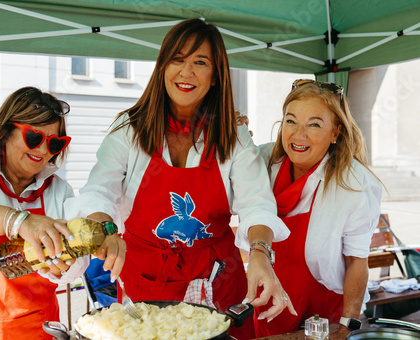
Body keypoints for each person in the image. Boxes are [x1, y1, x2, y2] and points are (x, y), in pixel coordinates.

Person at [64, 18, 294, 340]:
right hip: (144, 278)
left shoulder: (234, 136)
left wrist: (259, 252)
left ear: (215, 77)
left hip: (217, 280)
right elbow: (99, 190)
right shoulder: (129, 130)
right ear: (162, 67)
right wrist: (105, 228)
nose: (187, 72)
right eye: (178, 59)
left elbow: (257, 204)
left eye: (200, 62)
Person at [0, 87, 121, 339]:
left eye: (54, 143)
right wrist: (19, 222)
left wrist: (62, 266)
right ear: (7, 131)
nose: (43, 151)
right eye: (34, 137)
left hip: (36, 330)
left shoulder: (59, 190)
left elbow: (75, 266)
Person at [237, 79, 382, 339]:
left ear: (336, 133)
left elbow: (356, 261)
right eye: (291, 121)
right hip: (271, 300)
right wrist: (231, 132)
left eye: (314, 124)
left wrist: (347, 326)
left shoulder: (355, 184)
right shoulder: (262, 163)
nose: (299, 135)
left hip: (325, 313)